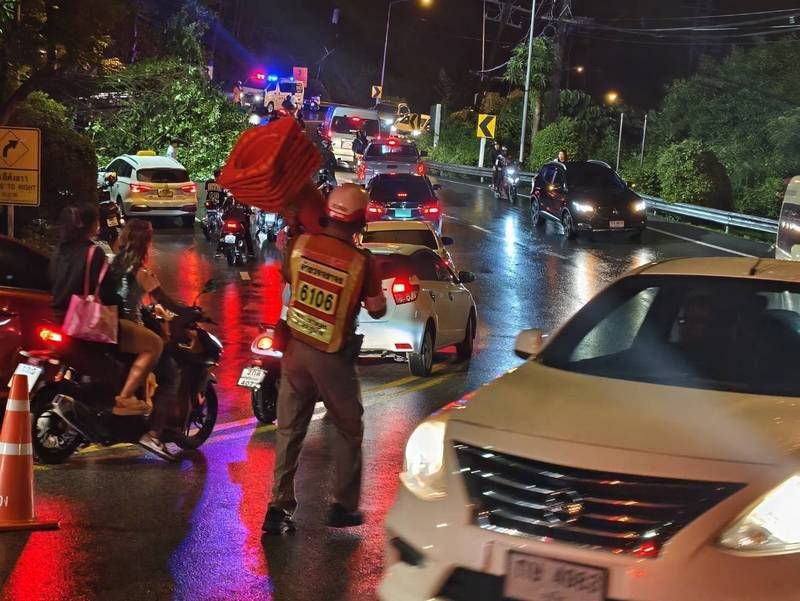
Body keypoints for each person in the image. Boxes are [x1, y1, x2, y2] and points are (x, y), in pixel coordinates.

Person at [262, 184, 387, 535]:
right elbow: (377, 310)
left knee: (289, 430)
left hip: (294, 349)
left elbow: (288, 277)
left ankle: (277, 507)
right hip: (331, 356)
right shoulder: (362, 262)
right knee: (349, 427)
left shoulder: (300, 245)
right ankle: (343, 505)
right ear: (360, 221)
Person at [50, 204, 152, 416]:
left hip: (59, 318)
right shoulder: (93, 252)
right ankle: (124, 399)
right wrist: (119, 311)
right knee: (153, 345)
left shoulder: (59, 251)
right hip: (85, 323)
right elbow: (107, 292)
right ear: (90, 225)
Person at [107, 219, 191, 459]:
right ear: (145, 243)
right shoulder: (141, 272)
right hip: (130, 330)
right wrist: (190, 312)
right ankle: (153, 434)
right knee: (170, 374)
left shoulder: (113, 265)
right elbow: (166, 301)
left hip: (108, 326)